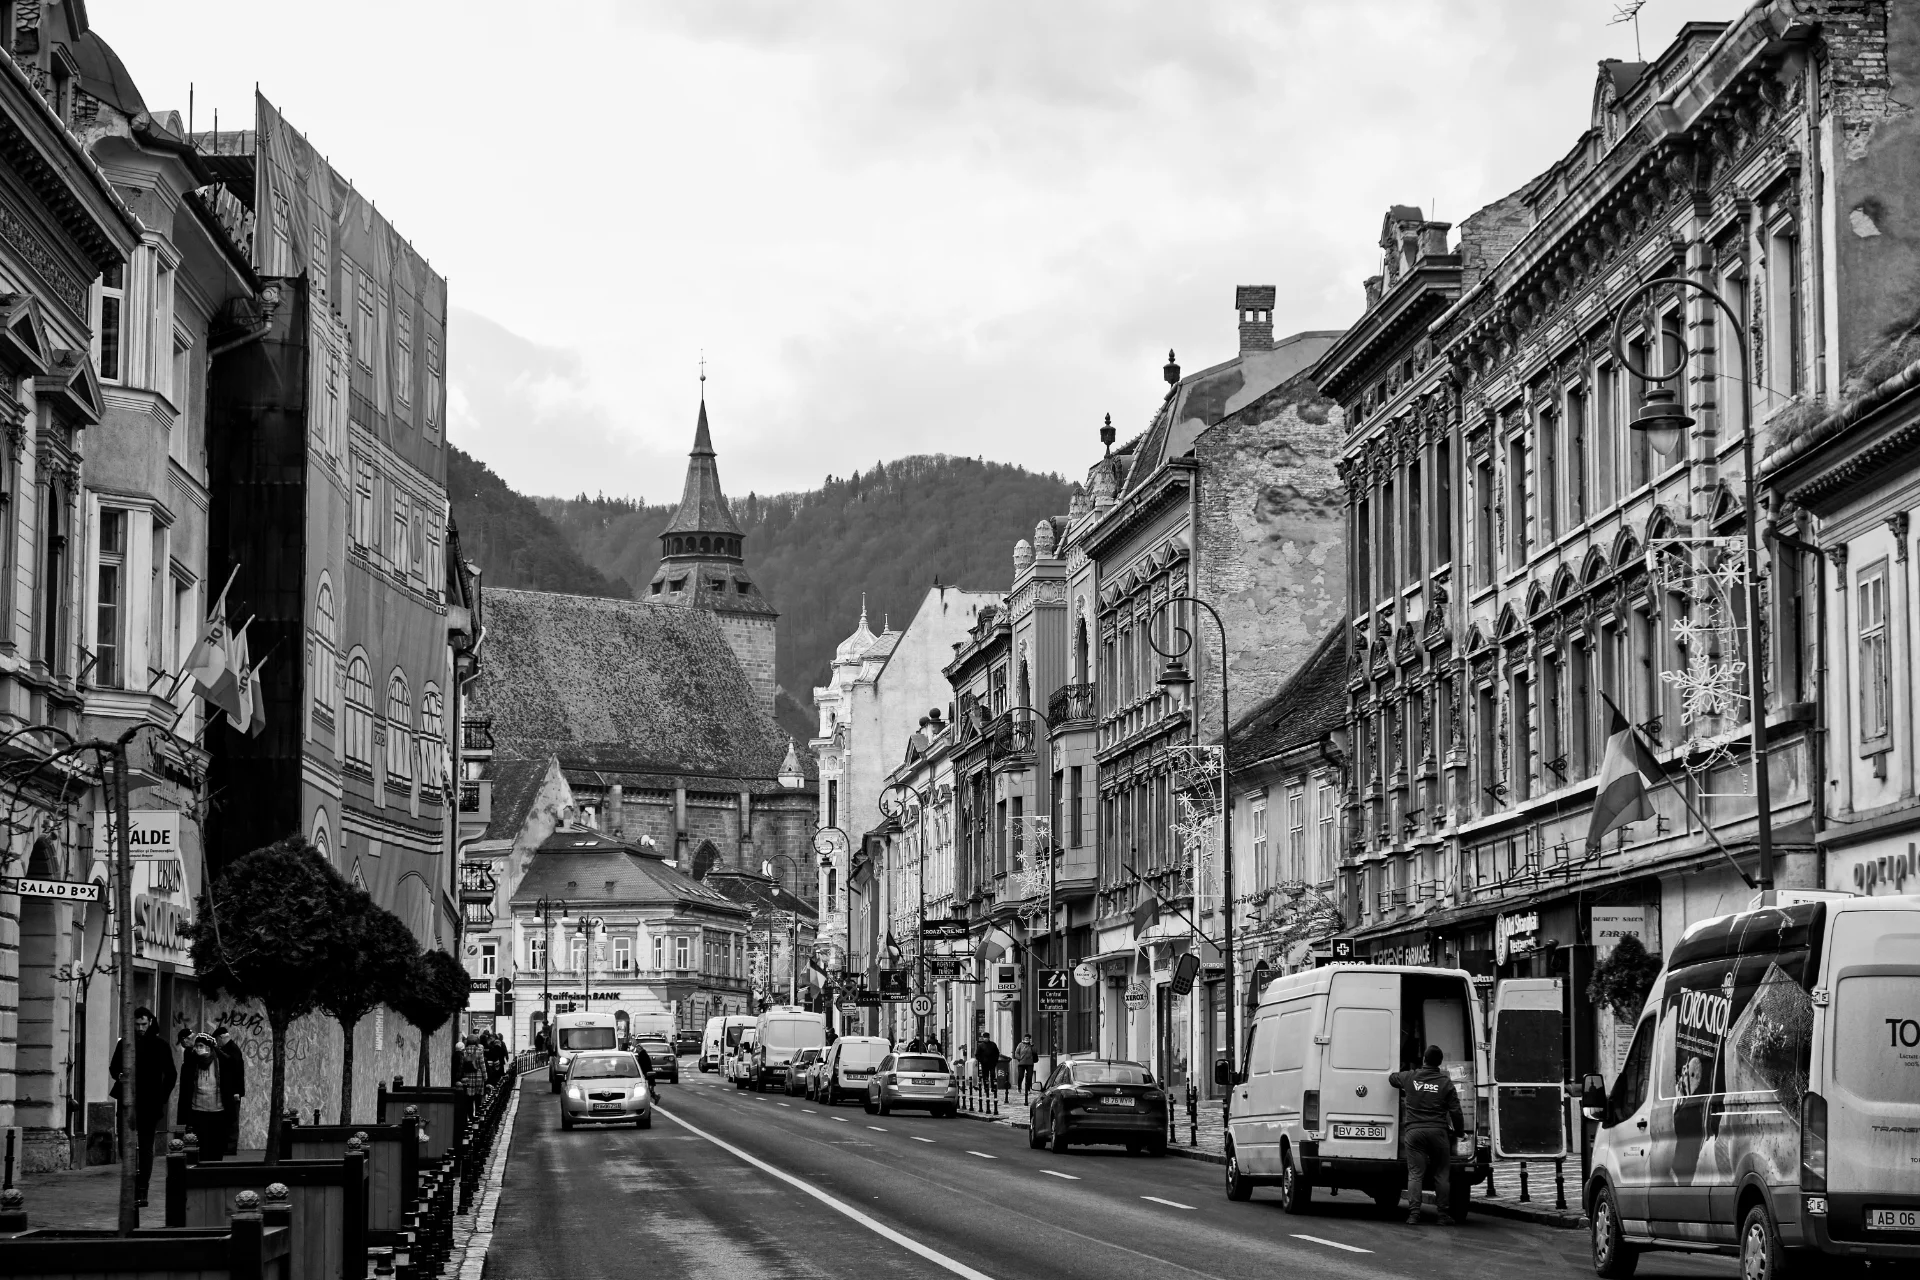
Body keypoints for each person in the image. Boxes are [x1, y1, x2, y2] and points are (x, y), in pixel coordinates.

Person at [1389, 1044, 1465, 1226]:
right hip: (1438, 1133)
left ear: (1424, 1059)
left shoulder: (1411, 1077)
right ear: (1439, 1063)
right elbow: (1456, 1111)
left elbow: (1392, 1079)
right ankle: (1443, 1215)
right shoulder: (1446, 1083)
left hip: (1414, 1132)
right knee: (1441, 1174)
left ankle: (1414, 1214)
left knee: (1415, 1174)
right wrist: (1460, 1132)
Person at [109, 1007, 177, 1207]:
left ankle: (142, 1190)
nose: (140, 1028)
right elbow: (114, 1067)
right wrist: (119, 1076)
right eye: (137, 1025)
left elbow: (171, 1074)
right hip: (127, 1100)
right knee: (124, 1144)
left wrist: (161, 1097)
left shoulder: (160, 1045)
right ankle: (130, 1186)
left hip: (149, 1102)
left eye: (143, 1024)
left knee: (146, 1147)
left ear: (150, 1023)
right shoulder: (124, 1044)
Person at [178, 1032, 228, 1162]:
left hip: (217, 1110)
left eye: (201, 1046)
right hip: (198, 1110)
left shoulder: (220, 1063)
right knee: (201, 1146)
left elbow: (231, 1064)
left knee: (216, 1148)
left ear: (209, 1047)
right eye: (196, 1046)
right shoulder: (192, 1063)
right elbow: (185, 1089)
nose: (198, 1049)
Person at [212, 1025, 245, 1155]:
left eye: (217, 1040)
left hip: (233, 1092)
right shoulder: (230, 1048)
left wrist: (237, 1092)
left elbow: (237, 1072)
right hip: (230, 1091)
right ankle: (227, 1146)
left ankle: (230, 1147)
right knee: (229, 1118)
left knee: (232, 1119)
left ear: (220, 1038)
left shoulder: (232, 1050)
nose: (217, 1043)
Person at [974, 1032, 1001, 1096]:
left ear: (989, 1038)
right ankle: (986, 1088)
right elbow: (977, 1054)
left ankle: (993, 1088)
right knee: (985, 1076)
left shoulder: (993, 1044)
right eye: (985, 1037)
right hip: (984, 1063)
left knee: (992, 1075)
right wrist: (981, 1060)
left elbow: (997, 1053)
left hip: (992, 1063)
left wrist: (995, 1060)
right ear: (983, 1038)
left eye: (987, 1037)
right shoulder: (981, 1045)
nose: (986, 1039)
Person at [1013, 1034, 1037, 1100]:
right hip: (1022, 1063)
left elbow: (1035, 1052)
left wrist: (1032, 1045)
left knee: (1029, 1076)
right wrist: (1019, 1058)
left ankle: (1028, 1089)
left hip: (1030, 1063)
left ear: (1030, 1039)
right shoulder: (1020, 1045)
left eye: (1028, 1038)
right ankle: (1019, 1087)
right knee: (1021, 1076)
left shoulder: (1032, 1045)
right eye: (1026, 1038)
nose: (1027, 1039)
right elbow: (1016, 1053)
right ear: (1023, 1039)